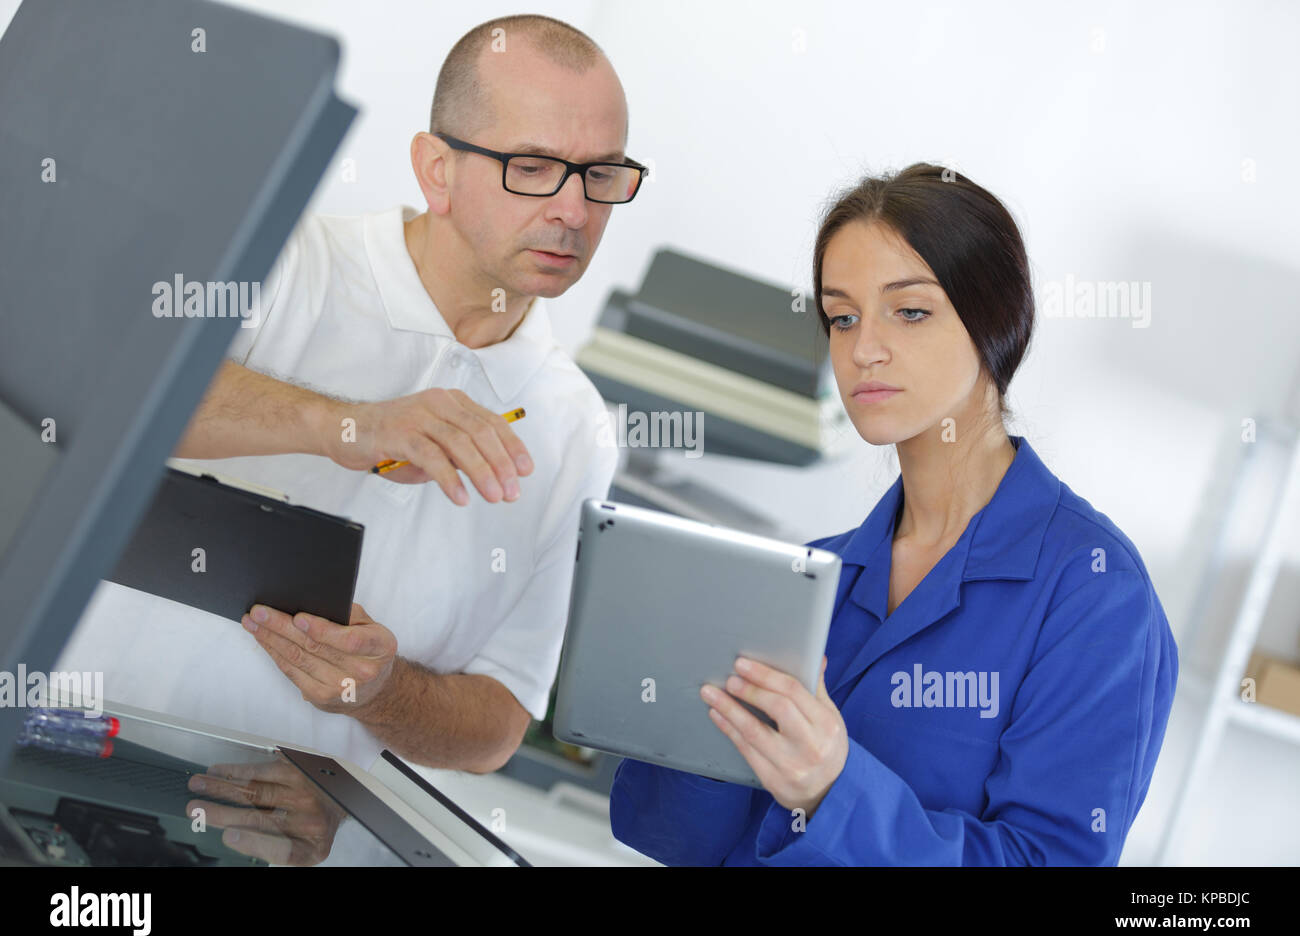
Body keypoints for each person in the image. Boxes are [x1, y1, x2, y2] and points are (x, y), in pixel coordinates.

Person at [56, 15, 637, 780]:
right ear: (436, 170)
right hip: (69, 753)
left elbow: (497, 727)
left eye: (600, 175)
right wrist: (345, 425)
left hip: (291, 839)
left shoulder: (576, 428)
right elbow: (101, 401)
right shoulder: (287, 261)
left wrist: (383, 695)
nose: (574, 211)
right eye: (532, 166)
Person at [609, 164, 1178, 866]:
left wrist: (833, 790)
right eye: (842, 316)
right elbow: (685, 842)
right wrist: (675, 696)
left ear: (995, 319)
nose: (862, 349)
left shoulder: (1095, 595)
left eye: (909, 311)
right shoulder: (812, 578)